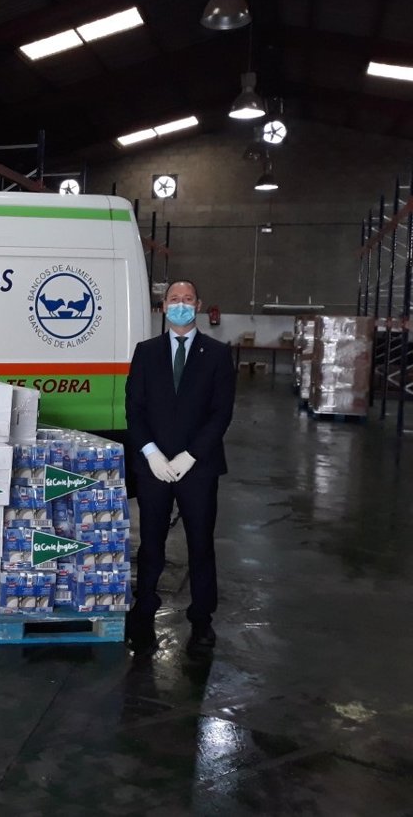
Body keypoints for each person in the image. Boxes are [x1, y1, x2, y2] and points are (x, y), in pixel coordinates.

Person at [124, 280, 235, 654]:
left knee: (200, 544)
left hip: (198, 468)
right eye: (174, 299)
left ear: (198, 305)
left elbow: (221, 413)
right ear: (163, 306)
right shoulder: (146, 352)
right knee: (150, 543)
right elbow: (134, 408)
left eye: (188, 299)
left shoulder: (217, 354)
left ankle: (202, 619)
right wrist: (150, 453)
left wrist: (192, 455)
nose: (181, 305)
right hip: (154, 468)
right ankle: (143, 611)